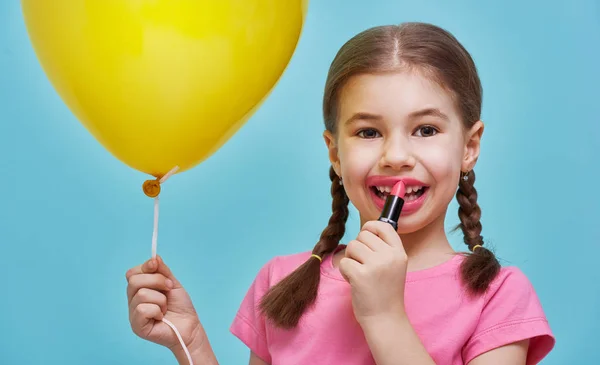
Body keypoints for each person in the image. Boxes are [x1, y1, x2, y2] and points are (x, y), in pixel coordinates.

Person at [125, 22, 555, 365]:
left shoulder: (499, 296)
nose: (396, 155)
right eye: (369, 132)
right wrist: (191, 343)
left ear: (470, 147)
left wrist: (384, 315)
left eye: (426, 130)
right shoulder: (282, 283)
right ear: (334, 151)